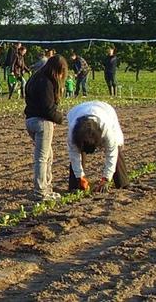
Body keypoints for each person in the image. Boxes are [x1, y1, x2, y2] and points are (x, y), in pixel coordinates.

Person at [24, 55, 69, 201]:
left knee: (48, 154)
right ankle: (41, 190)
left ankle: (47, 186)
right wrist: (60, 117)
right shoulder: (47, 82)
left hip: (30, 121)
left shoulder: (35, 78)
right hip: (42, 123)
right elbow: (47, 109)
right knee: (42, 158)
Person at [66, 101, 130, 193]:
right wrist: (80, 176)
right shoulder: (73, 131)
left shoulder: (106, 129)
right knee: (78, 149)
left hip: (106, 110)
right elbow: (73, 154)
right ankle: (76, 185)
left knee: (117, 147)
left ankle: (122, 183)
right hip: (77, 111)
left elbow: (112, 152)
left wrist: (106, 178)